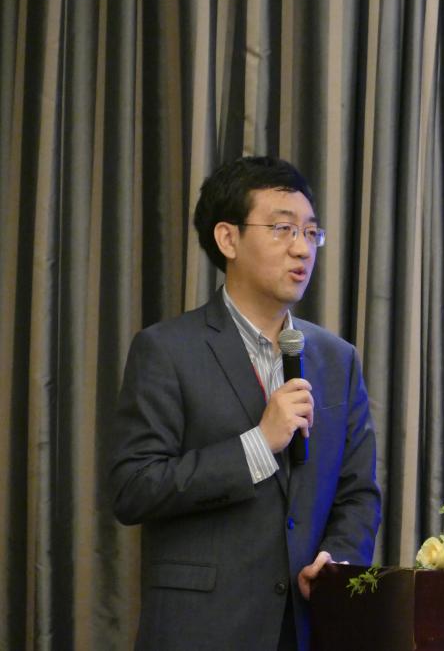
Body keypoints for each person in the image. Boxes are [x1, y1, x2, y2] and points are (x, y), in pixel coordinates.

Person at [109, 156, 380, 650]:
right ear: (228, 239)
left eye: (311, 232)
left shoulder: (337, 359)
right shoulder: (166, 349)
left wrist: (338, 558)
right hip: (203, 629)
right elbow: (134, 487)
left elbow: (358, 492)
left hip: (306, 625)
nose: (302, 248)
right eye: (282, 229)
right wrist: (258, 444)